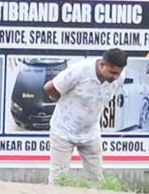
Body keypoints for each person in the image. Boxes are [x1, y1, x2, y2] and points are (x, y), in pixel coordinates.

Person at [45, 49, 128, 183]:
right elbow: (50, 87)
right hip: (63, 131)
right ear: (102, 65)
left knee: (97, 179)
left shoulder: (120, 77)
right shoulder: (79, 71)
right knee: (58, 179)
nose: (115, 77)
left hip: (91, 133)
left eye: (118, 74)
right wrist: (62, 102)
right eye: (112, 73)